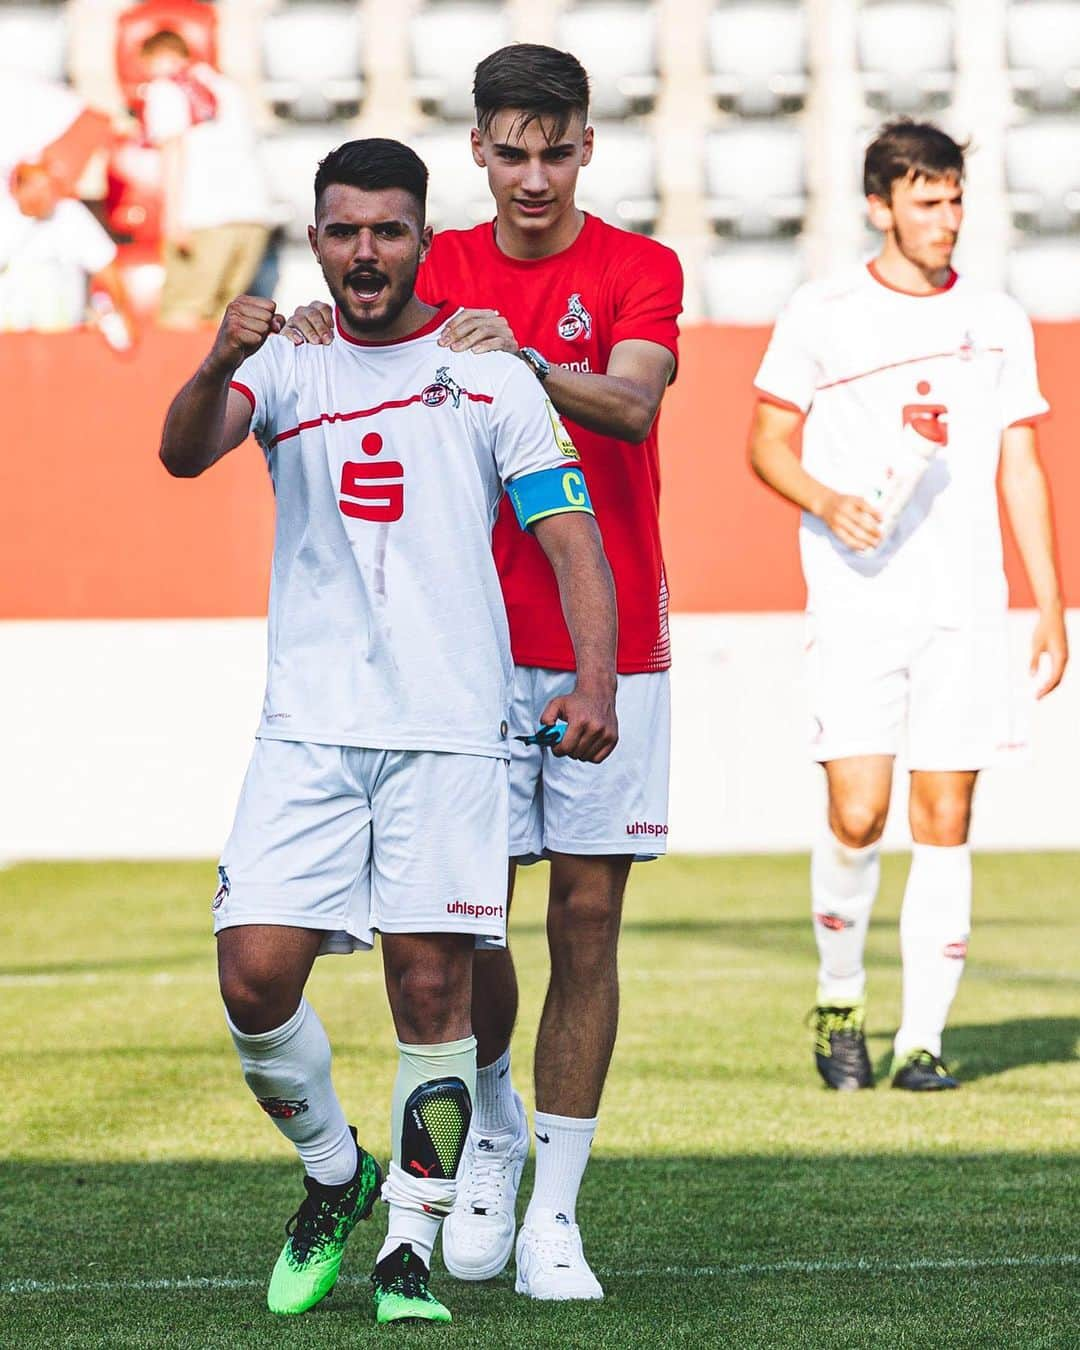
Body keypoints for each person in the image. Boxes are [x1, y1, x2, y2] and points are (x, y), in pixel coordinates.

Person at [158, 138, 618, 1327]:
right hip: (307, 732)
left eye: (390, 231)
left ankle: (406, 1251)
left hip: (453, 733)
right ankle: (334, 1176)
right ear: (315, 239)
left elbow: (570, 532)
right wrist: (218, 353)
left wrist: (597, 681)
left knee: (432, 991)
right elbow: (180, 452)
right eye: (345, 231)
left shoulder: (490, 371)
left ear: (422, 237)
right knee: (254, 978)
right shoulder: (286, 363)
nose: (367, 253)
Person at [281, 44, 682, 1299]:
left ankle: (555, 1210)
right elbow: (356, 338)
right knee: (472, 921)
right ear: (477, 151)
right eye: (511, 151)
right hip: (464, 644)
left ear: (587, 149)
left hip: (611, 634)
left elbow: (630, 409)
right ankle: (495, 1122)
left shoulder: (638, 266)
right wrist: (308, 322)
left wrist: (516, 360)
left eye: (556, 150)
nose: (533, 175)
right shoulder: (429, 258)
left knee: (590, 916)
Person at [748, 120, 1067, 1092]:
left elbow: (1021, 464)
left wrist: (1049, 604)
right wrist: (825, 499)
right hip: (857, 601)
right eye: (927, 202)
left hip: (966, 606)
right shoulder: (824, 309)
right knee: (858, 810)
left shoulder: (999, 318)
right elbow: (765, 442)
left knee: (945, 812)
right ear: (880, 207)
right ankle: (841, 995)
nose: (947, 219)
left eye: (956, 200)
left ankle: (923, 1039)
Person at [139, 30, 273, 328]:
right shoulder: (227, 87)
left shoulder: (165, 88)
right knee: (224, 323)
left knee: (182, 314)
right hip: (253, 216)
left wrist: (172, 218)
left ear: (155, 59)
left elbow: (173, 152)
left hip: (204, 216)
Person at [0, 160, 135, 342]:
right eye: (36, 187)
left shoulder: (71, 217)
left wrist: (121, 313)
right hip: (11, 340)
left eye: (47, 187)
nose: (44, 195)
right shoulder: (6, 220)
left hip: (64, 339)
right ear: (17, 189)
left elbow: (107, 269)